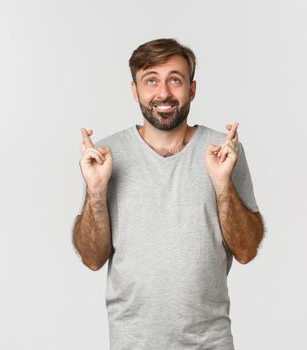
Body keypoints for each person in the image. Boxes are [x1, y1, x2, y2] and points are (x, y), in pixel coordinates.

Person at [72, 38, 266, 350]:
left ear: (192, 89)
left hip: (210, 342)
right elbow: (93, 259)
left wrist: (223, 185)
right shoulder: (107, 156)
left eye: (175, 80)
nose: (163, 93)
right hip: (132, 342)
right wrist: (96, 191)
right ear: (135, 90)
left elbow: (246, 251)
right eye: (151, 81)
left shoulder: (224, 152)